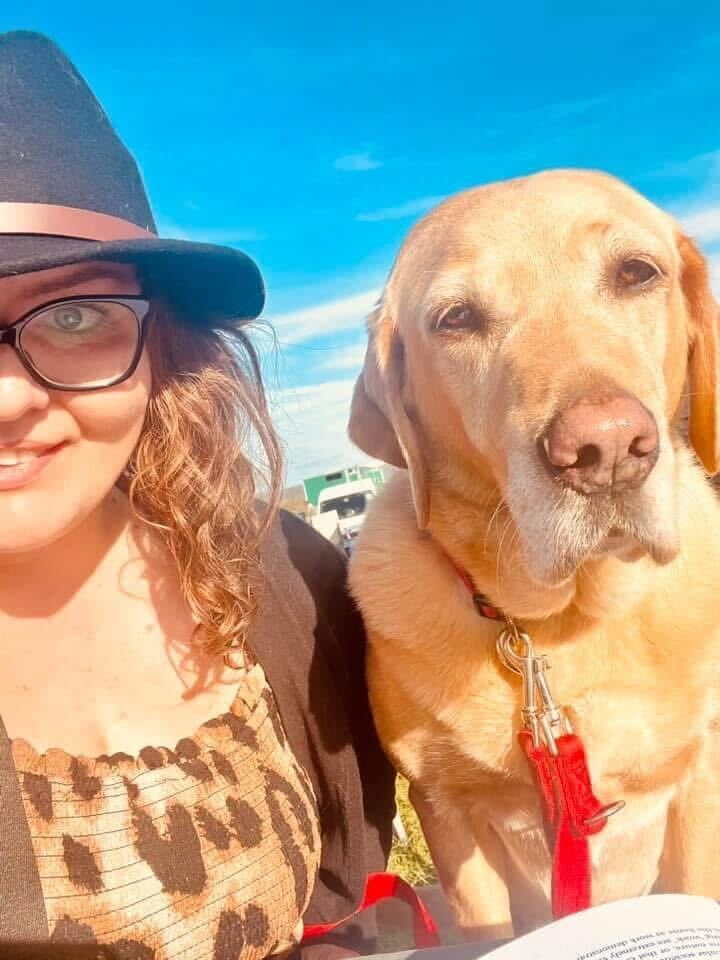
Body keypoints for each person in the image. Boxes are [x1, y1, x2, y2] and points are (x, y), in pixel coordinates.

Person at [0, 31, 395, 959]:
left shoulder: (282, 574)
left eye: (76, 315)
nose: (9, 400)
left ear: (166, 343)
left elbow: (354, 893)